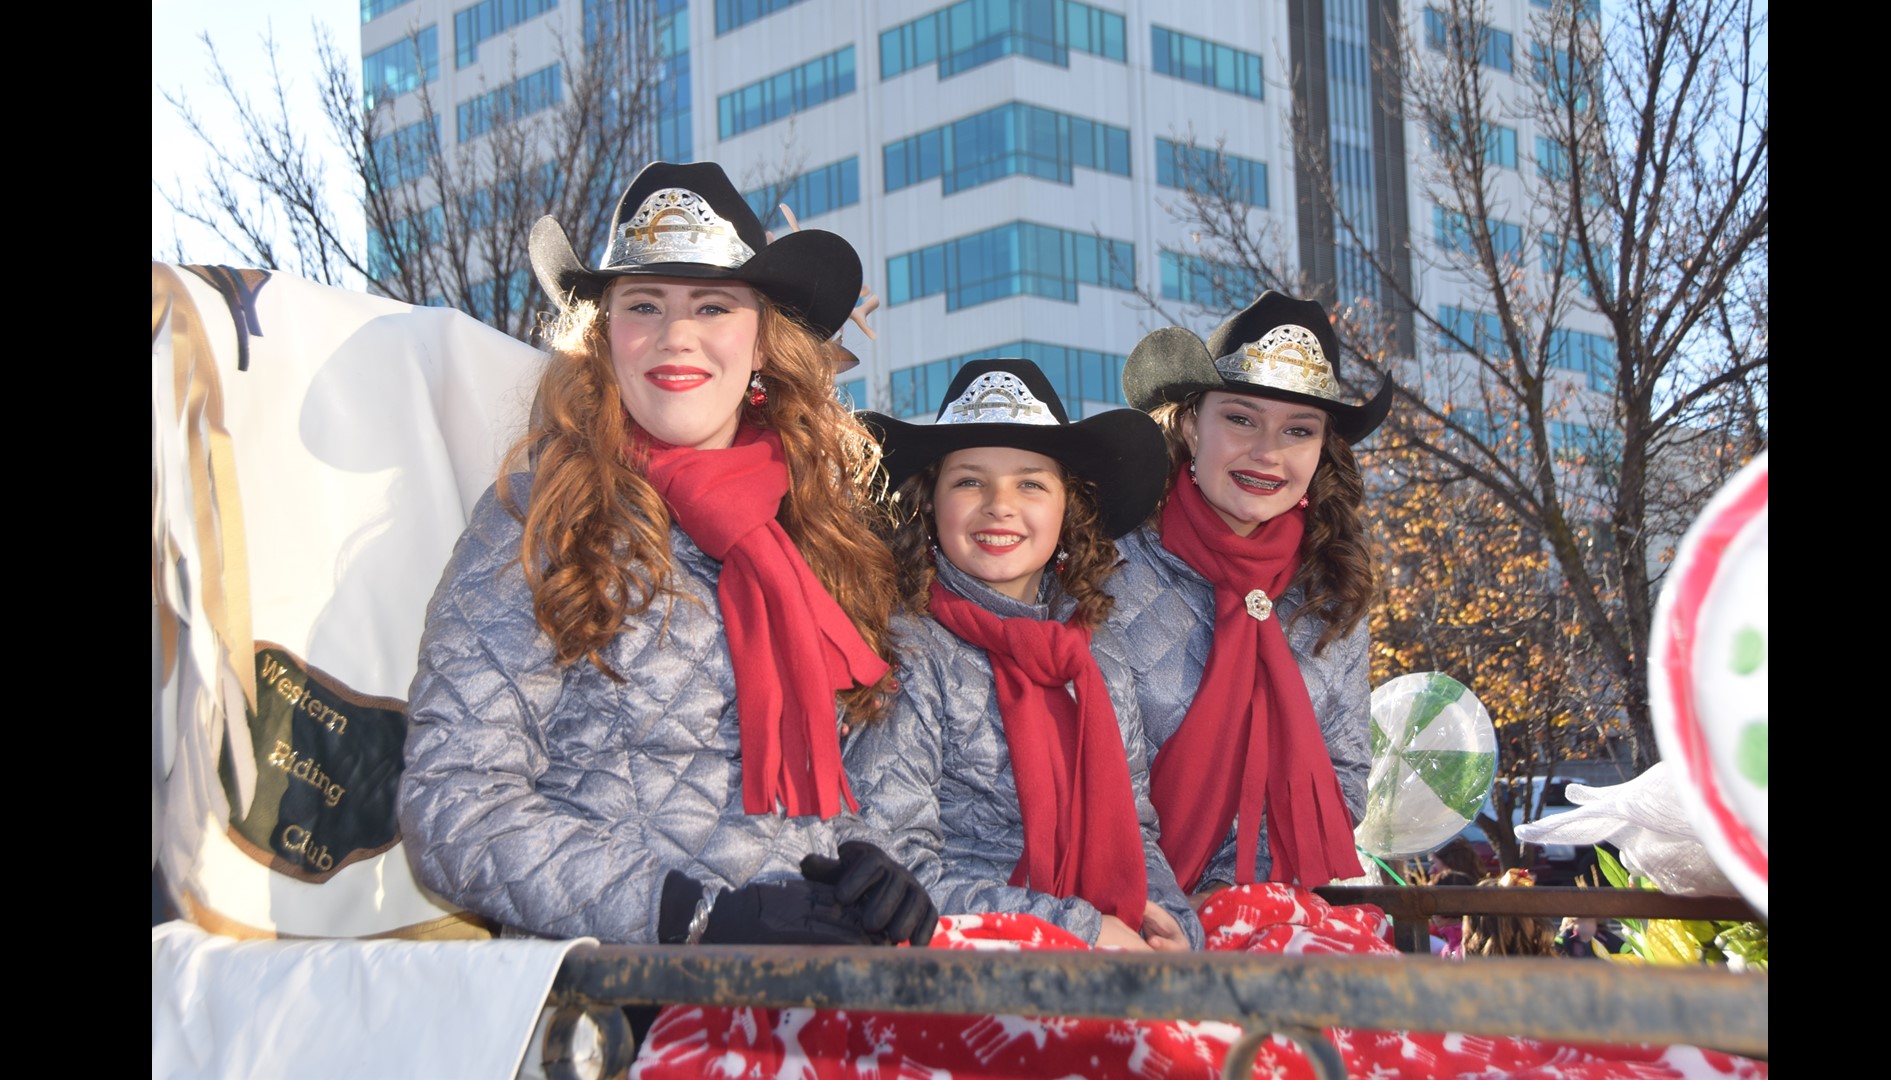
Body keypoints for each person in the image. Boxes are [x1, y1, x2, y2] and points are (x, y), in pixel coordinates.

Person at [398, 160, 937, 950]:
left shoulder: (822, 530)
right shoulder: (541, 516)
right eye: (643, 305)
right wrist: (691, 918)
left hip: (815, 990)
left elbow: (875, 787)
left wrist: (888, 878)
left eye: (712, 305)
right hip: (619, 1007)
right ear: (605, 338)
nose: (675, 335)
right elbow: (453, 804)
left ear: (761, 344)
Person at [848, 357, 1202, 951]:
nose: (999, 505)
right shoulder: (904, 652)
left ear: (1070, 508)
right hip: (960, 963)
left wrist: (1170, 922)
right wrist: (1078, 930)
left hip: (1104, 950)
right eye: (969, 481)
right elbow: (895, 867)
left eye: (1030, 482)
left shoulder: (1098, 657)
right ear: (930, 503)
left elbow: (1134, 830)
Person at [1108, 289, 1393, 901]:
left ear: (1321, 452)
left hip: (1270, 908)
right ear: (1189, 423)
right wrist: (1184, 909)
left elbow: (1345, 774)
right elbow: (1098, 778)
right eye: (1240, 419)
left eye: (1298, 430)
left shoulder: (1334, 590)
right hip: (1127, 909)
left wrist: (1240, 894)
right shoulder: (1104, 567)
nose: (1268, 452)